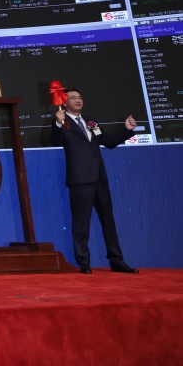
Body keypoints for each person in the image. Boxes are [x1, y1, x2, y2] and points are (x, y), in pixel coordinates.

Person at [52, 87, 138, 274]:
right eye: (73, 98)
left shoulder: (91, 122)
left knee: (108, 220)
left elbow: (108, 142)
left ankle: (117, 261)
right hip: (80, 179)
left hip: (100, 177)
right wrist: (58, 124)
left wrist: (126, 130)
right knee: (81, 222)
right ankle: (84, 263)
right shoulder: (62, 122)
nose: (78, 100)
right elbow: (51, 140)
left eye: (80, 97)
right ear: (65, 102)